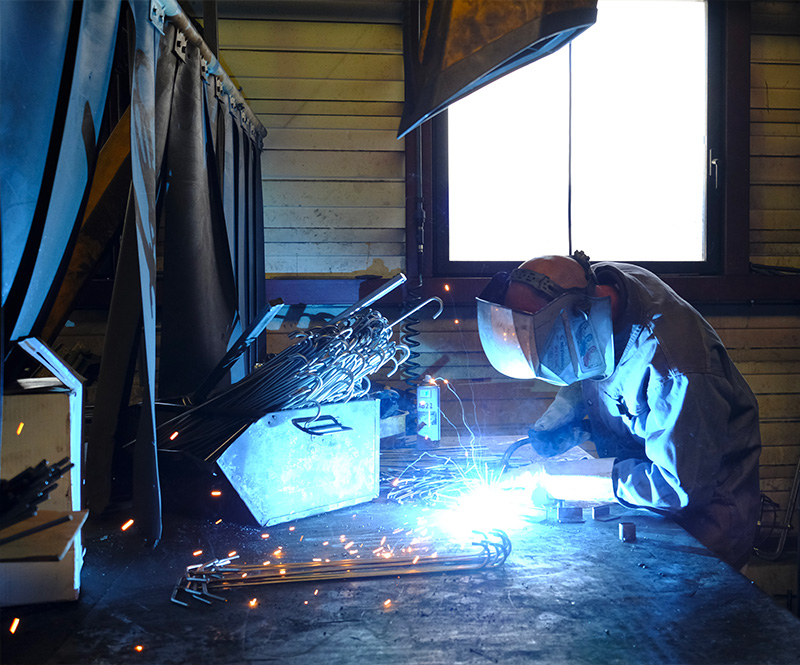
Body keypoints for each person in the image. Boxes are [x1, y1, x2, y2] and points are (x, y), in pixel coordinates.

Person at [476, 251, 762, 570]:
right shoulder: (590, 286)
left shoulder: (676, 370)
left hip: (700, 531)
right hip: (641, 508)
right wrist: (566, 412)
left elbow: (677, 488)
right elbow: (587, 361)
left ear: (585, 317)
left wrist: (565, 479)